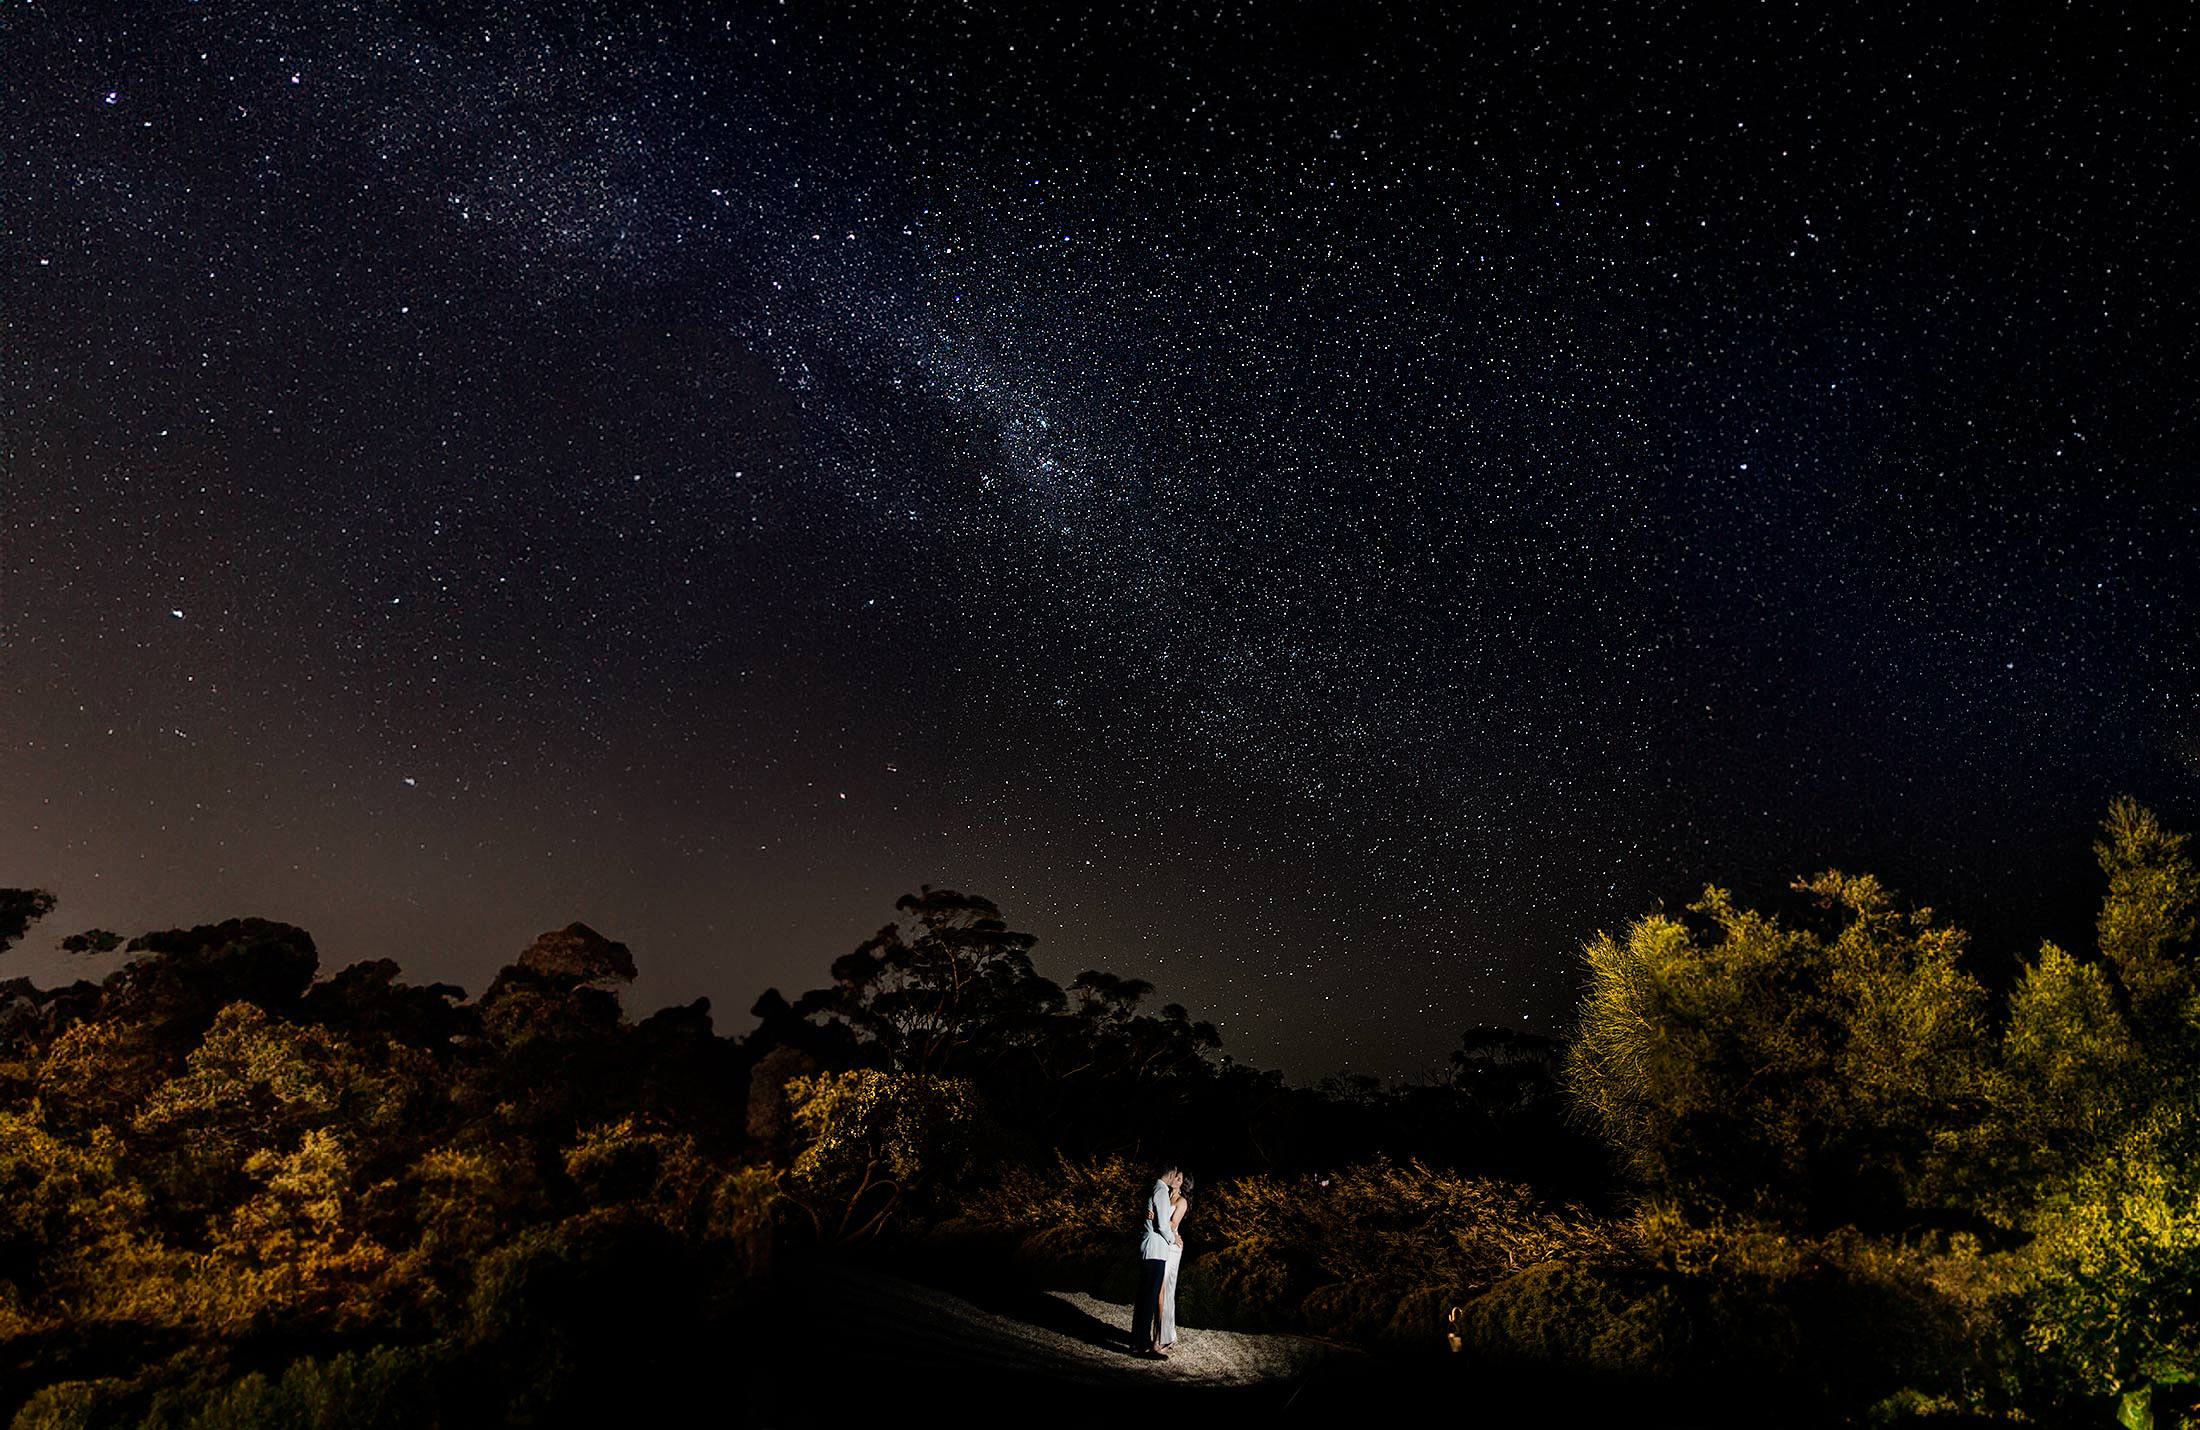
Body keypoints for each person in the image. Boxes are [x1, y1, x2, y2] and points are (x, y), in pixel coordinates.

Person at [1129, 1163, 1182, 1357]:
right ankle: (1143, 1346)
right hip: (1156, 1250)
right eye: (1175, 1176)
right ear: (1170, 1175)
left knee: (1144, 1298)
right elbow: (1161, 1224)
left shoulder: (1153, 1189)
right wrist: (1173, 1238)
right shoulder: (1160, 1192)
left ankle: (1137, 1342)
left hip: (1149, 1249)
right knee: (1149, 1299)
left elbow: (1154, 1218)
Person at [1155, 1171, 1193, 1350]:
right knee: (1160, 1291)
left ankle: (1163, 1337)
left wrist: (1155, 1219)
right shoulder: (1165, 1197)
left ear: (1183, 1185)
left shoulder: (1181, 1202)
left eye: (1179, 1179)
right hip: (1163, 1243)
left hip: (1172, 1248)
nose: (1175, 1179)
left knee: (1165, 1290)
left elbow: (1172, 1224)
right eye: (1175, 1176)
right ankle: (1165, 1334)